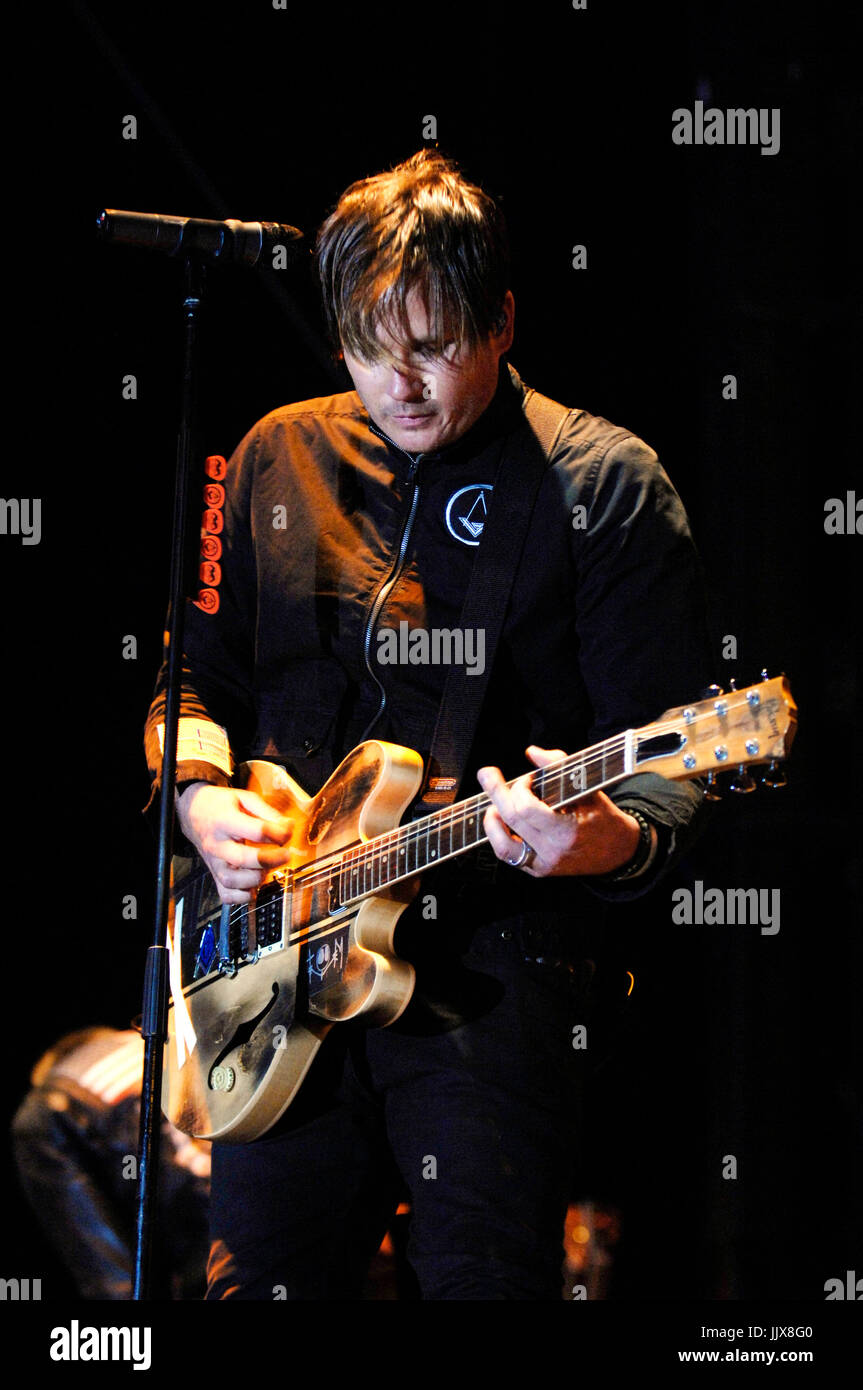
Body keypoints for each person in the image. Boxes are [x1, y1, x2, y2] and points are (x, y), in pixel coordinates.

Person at [144, 149, 713, 1300]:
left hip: (492, 971)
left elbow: (672, 762)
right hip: (271, 969)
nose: (398, 385)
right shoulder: (275, 453)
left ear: (501, 322)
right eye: (367, 349)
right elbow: (186, 681)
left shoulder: (600, 484)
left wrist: (590, 837)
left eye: (434, 348)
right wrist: (203, 806)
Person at [11, 1027, 211, 1300]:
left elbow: (104, 1260)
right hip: (274, 1228)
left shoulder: (50, 1105)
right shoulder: (170, 1035)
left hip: (215, 1265)